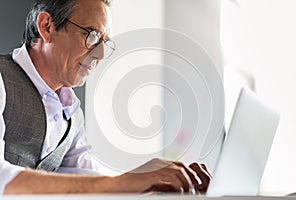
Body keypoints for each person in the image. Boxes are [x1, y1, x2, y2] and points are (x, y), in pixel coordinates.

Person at [0, 0, 211, 195]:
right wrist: (125, 182)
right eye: (91, 35)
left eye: (103, 41)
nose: (100, 54)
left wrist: (149, 180)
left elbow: (91, 183)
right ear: (47, 26)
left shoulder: (71, 113)